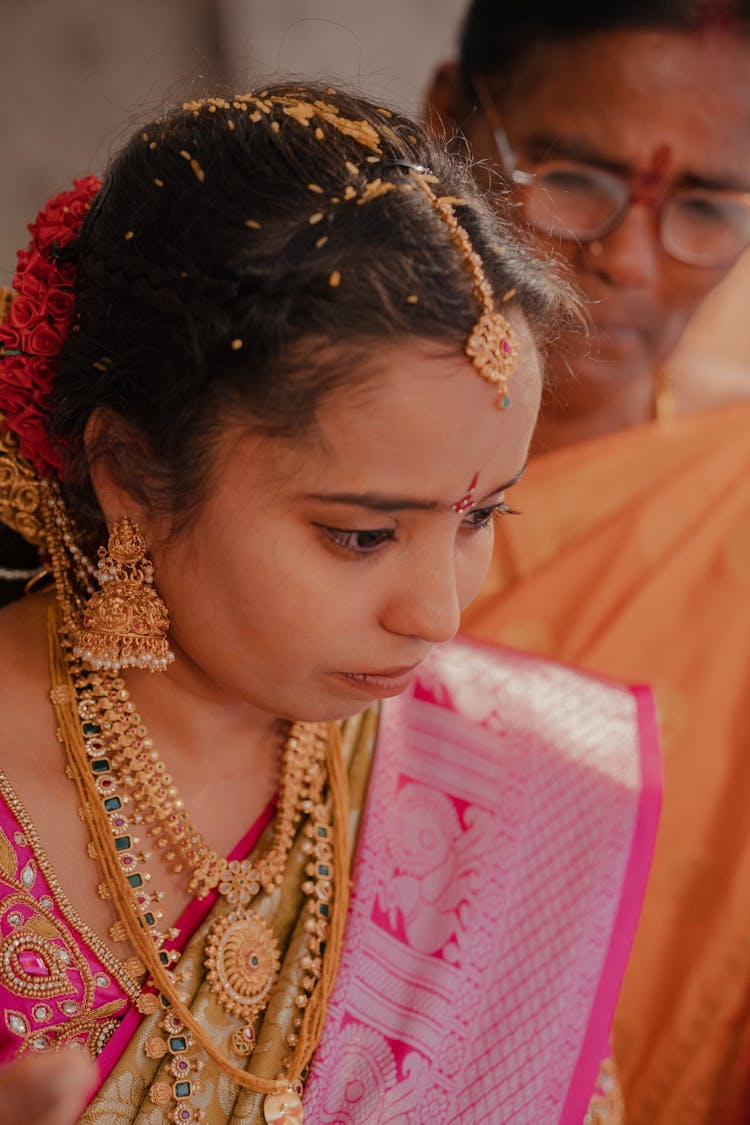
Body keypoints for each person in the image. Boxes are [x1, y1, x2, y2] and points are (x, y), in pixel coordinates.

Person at [0, 82, 658, 1125]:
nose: (438, 616)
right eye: (360, 534)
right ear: (129, 468)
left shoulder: (509, 782)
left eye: (484, 516)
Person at [426, 3, 750, 1121]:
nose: (628, 255)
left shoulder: (733, 517)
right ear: (449, 120)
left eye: (705, 205)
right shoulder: (232, 447)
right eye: (572, 177)